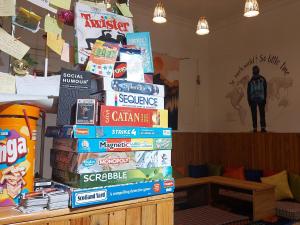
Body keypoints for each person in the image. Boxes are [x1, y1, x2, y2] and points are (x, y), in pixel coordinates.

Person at [247, 65, 267, 132]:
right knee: (254, 114)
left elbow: (265, 89)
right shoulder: (250, 81)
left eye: (256, 69)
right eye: (254, 69)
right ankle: (255, 128)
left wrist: (265, 99)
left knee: (262, 114)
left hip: (261, 99)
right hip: (253, 100)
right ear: (253, 71)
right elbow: (248, 91)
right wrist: (249, 100)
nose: (255, 70)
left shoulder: (262, 79)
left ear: (258, 70)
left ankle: (263, 128)